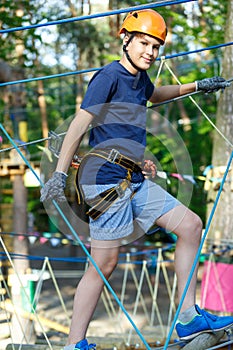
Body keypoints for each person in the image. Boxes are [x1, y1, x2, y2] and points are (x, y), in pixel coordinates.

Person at [40, 9, 233, 350]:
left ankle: (188, 319)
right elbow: (79, 125)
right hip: (106, 185)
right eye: (144, 42)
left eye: (156, 46)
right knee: (104, 263)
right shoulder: (108, 76)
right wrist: (58, 173)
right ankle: (74, 344)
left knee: (190, 225)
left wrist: (197, 86)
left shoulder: (139, 79)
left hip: (132, 179)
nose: (150, 52)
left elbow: (154, 95)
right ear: (126, 39)